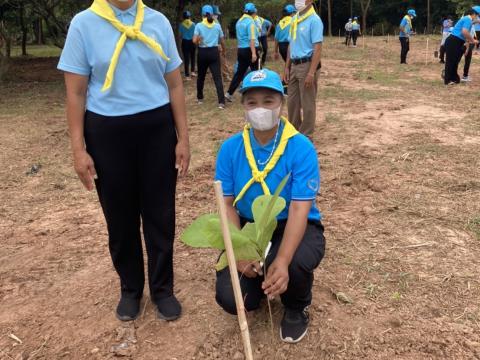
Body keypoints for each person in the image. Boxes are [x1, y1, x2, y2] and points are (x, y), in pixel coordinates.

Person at [57, 0, 190, 322]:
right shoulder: (84, 24)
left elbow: (174, 84)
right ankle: (130, 288)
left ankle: (163, 289)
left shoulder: (157, 21)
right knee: (120, 216)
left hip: (157, 131)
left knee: (160, 213)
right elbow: (75, 93)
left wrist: (183, 137)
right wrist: (79, 149)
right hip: (107, 133)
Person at [214, 69, 326, 344]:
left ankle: (296, 306)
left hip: (294, 223)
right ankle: (264, 283)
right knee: (232, 298)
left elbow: (300, 208)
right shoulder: (230, 149)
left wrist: (283, 260)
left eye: (268, 101)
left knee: (293, 265)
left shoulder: (301, 148)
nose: (260, 109)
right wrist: (239, 250)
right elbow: (226, 204)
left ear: (281, 104)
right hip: (250, 227)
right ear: (243, 107)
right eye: (252, 102)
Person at [284, 0, 323, 138]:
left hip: (307, 65)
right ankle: (294, 133)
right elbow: (291, 44)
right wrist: (287, 67)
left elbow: (317, 48)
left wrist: (311, 73)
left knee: (307, 103)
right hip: (294, 65)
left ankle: (306, 136)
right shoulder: (295, 18)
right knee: (292, 102)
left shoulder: (315, 20)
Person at [193, 5, 227, 109]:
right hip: (214, 52)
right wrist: (224, 51)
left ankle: (200, 98)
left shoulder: (198, 25)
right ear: (212, 14)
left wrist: (199, 38)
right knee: (217, 78)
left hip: (202, 53)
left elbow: (194, 41)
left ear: (202, 14)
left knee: (201, 77)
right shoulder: (217, 26)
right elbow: (222, 41)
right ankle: (221, 102)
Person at [225, 3, 259, 102]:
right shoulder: (251, 22)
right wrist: (253, 53)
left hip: (241, 50)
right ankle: (255, 94)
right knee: (256, 72)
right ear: (253, 12)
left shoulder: (239, 21)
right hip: (250, 49)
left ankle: (229, 93)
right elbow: (251, 39)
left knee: (239, 73)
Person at [444, 7, 480, 85]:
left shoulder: (467, 19)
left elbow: (468, 29)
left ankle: (454, 78)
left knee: (455, 61)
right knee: (451, 61)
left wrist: (477, 21)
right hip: (453, 41)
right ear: (474, 14)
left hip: (457, 41)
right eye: (477, 16)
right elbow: (465, 32)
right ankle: (448, 80)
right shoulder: (468, 19)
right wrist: (473, 40)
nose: (477, 17)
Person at [179, 10, 196, 79]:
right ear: (189, 17)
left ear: (183, 17)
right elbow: (195, 34)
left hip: (185, 42)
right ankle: (192, 72)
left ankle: (187, 75)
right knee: (193, 57)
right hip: (192, 42)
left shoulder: (181, 24)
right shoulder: (193, 24)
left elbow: (180, 35)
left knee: (186, 58)